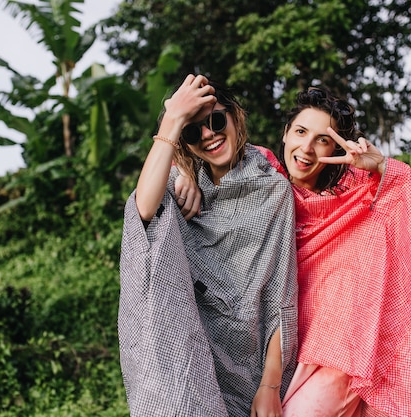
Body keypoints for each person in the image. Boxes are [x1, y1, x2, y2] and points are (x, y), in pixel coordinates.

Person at [118, 74, 298, 417]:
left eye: (216, 120)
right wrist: (173, 123)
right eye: (192, 130)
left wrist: (270, 386)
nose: (208, 135)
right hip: (190, 353)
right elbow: (142, 213)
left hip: (250, 362)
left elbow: (281, 294)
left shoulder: (274, 191)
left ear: (236, 116)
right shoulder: (177, 188)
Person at [272, 87, 411, 417]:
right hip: (288, 345)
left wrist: (382, 166)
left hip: (343, 348)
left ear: (335, 147)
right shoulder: (266, 186)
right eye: (301, 132)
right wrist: (184, 171)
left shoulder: (357, 191)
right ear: (286, 133)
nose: (307, 148)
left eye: (322, 140)